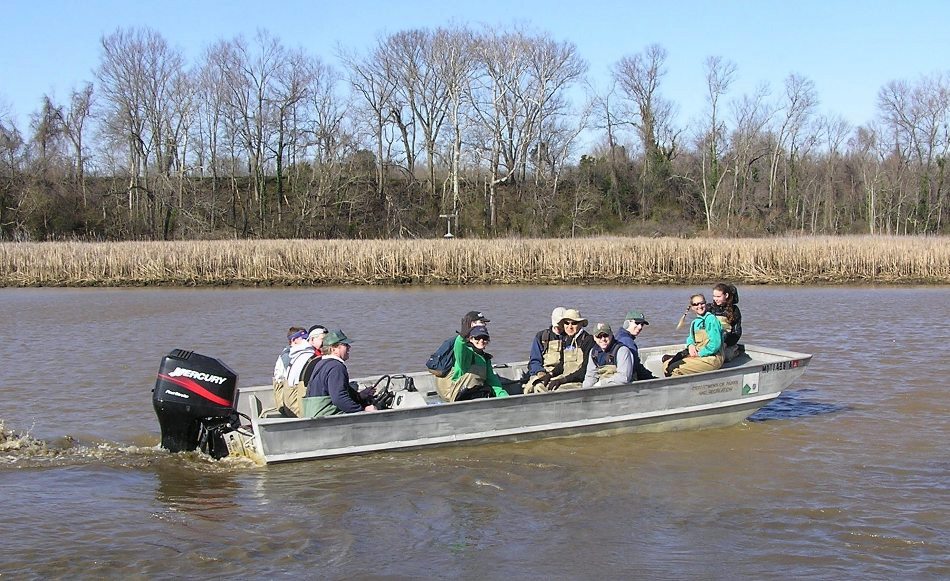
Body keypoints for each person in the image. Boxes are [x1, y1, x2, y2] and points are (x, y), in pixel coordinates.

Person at [303, 329, 377, 416]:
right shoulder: (336, 367)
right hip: (325, 416)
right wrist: (363, 410)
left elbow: (341, 391)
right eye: (345, 345)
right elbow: (339, 399)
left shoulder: (321, 363)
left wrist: (360, 396)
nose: (349, 347)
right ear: (334, 349)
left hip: (312, 413)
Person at [436, 325, 509, 402]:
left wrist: (504, 396)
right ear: (471, 339)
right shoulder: (466, 355)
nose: (481, 340)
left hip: (476, 394)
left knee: (489, 389)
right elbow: (459, 347)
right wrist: (461, 337)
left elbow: (492, 381)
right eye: (477, 338)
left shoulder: (486, 359)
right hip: (459, 396)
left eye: (484, 338)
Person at [663, 294, 724, 377]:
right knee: (666, 365)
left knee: (675, 369)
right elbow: (691, 338)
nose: (700, 306)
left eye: (702, 303)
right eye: (696, 304)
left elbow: (715, 344)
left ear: (705, 304)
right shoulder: (694, 322)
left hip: (712, 358)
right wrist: (690, 345)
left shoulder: (711, 319)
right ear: (692, 307)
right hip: (699, 357)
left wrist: (699, 354)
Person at [538, 308, 594, 391]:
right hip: (565, 378)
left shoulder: (588, 340)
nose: (570, 327)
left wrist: (562, 380)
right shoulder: (565, 340)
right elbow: (562, 364)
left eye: (574, 323)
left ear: (581, 324)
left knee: (556, 391)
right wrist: (550, 374)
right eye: (566, 323)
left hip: (578, 382)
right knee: (538, 386)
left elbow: (584, 371)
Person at [524, 306, 566, 392]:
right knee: (533, 388)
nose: (559, 328)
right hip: (543, 372)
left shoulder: (570, 337)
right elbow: (534, 361)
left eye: (562, 325)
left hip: (561, 374)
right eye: (557, 325)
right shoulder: (541, 336)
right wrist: (540, 372)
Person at [582, 322, 635, 387]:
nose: (603, 339)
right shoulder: (593, 352)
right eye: (599, 336)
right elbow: (590, 376)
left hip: (621, 389)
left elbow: (624, 378)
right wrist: (585, 391)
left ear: (611, 335)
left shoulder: (622, 350)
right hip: (601, 390)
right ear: (594, 338)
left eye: (605, 335)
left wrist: (601, 384)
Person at [274, 327, 311, 416]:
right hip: (285, 401)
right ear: (294, 340)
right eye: (304, 339)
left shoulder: (296, 353)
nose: (307, 341)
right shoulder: (288, 356)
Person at [614, 310, 656, 380]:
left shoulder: (619, 335)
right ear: (627, 323)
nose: (640, 327)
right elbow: (636, 366)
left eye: (642, 324)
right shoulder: (627, 341)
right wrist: (653, 379)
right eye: (637, 323)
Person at [709, 283, 743, 361]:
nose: (715, 299)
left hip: (727, 343)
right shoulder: (709, 308)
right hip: (711, 341)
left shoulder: (734, 310)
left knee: (725, 357)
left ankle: (735, 351)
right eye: (714, 296)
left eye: (718, 296)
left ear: (726, 295)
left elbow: (737, 332)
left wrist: (726, 343)